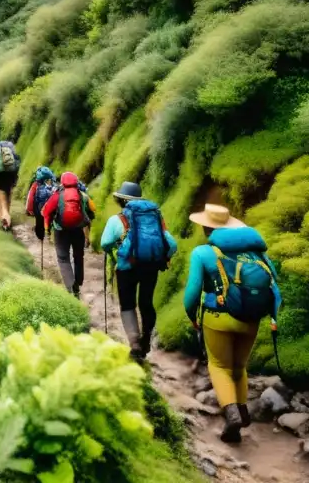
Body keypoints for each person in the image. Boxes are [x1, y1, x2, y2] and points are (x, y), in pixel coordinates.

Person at [183, 203, 282, 443]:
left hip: (217, 318)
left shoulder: (203, 253)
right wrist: (273, 319)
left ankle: (232, 415)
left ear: (207, 228)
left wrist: (192, 317)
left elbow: (192, 294)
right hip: (252, 319)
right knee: (239, 366)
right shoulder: (258, 255)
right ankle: (242, 407)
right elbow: (274, 287)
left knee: (219, 366)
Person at [101, 182, 177, 363]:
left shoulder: (117, 220)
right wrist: (160, 257)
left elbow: (105, 243)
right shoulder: (155, 217)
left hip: (126, 268)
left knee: (128, 304)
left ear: (121, 200)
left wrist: (116, 252)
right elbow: (172, 245)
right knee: (146, 302)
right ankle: (147, 337)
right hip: (150, 266)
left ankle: (135, 345)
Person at [42, 172, 95, 295]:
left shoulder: (56, 196)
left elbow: (46, 212)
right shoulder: (82, 195)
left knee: (63, 259)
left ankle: (70, 287)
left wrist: (47, 230)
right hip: (78, 231)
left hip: (61, 231)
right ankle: (78, 283)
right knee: (78, 257)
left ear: (62, 182)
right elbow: (93, 209)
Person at [25, 166, 57, 240]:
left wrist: (29, 209)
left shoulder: (35, 185)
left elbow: (30, 197)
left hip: (38, 210)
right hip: (49, 210)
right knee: (49, 222)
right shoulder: (52, 184)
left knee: (39, 225)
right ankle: (49, 235)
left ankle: (41, 240)